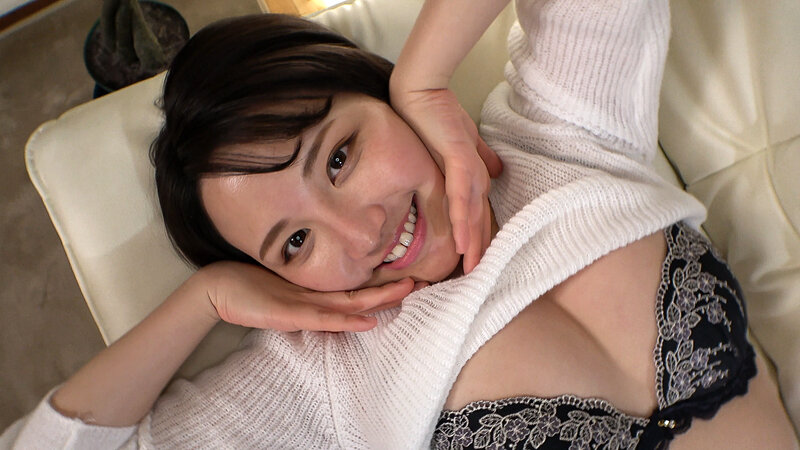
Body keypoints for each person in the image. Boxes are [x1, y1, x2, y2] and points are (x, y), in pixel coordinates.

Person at [3, 0, 798, 448]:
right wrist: (202, 300)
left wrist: (424, 76)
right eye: (295, 242)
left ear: (373, 92)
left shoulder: (561, 133)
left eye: (338, 158)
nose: (365, 231)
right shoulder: (323, 375)